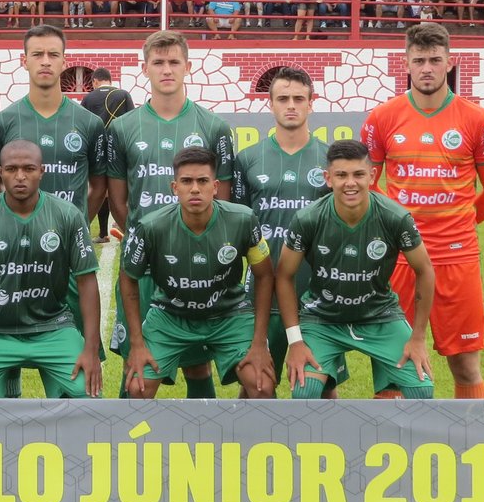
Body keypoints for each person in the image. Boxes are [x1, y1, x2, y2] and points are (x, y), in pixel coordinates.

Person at [362, 22, 484, 398]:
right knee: (395, 363)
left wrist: (462, 222)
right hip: (401, 259)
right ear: (406, 62)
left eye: (435, 60)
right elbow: (367, 187)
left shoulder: (478, 120)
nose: (427, 68)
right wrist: (395, 232)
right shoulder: (382, 118)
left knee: (466, 365)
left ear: (449, 62)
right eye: (419, 60)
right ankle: (394, 451)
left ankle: (472, 449)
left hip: (457, 257)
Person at [107, 30, 235, 398]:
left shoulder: (213, 127)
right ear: (144, 67)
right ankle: (123, 450)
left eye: (174, 62)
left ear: (188, 67)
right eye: (158, 62)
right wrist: (144, 239)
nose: (166, 70)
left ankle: (206, 444)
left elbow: (222, 200)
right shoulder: (122, 128)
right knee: (139, 359)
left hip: (198, 262)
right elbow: (119, 203)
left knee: (197, 359)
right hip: (145, 263)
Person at [0, 25, 107, 397]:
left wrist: (71, 226)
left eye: (53, 54)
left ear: (65, 62)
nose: (45, 61)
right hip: (10, 253)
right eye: (37, 54)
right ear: (23, 61)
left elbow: (100, 184)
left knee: (79, 371)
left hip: (67, 257)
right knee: (3, 347)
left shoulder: (88, 123)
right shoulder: (3, 122)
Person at [278, 140, 435, 400]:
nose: (350, 183)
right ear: (328, 178)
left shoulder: (395, 217)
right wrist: (295, 341)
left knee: (421, 391)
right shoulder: (308, 219)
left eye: (358, 174)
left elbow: (425, 270)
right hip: (322, 318)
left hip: (380, 316)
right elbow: (284, 276)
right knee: (305, 393)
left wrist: (418, 337)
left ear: (372, 176)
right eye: (341, 175)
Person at [118, 146, 276, 399]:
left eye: (202, 181)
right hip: (170, 315)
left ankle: (248, 437)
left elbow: (266, 275)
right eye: (187, 181)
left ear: (215, 187)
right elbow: (128, 279)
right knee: (137, 389)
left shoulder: (243, 220)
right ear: (174, 187)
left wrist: (258, 342)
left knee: (262, 386)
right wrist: (136, 343)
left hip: (229, 314)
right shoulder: (151, 227)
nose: (194, 189)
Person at [0, 140, 102, 399]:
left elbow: (87, 281)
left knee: (85, 393)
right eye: (11, 169)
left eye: (29, 168)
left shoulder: (68, 215)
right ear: (0, 173)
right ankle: (8, 387)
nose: (20, 176)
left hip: (53, 326)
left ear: (42, 171)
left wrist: (90, 350)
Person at [231, 67, 335, 390]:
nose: (291, 105)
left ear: (311, 103)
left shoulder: (330, 160)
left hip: (316, 293)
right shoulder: (247, 159)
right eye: (283, 98)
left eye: (298, 99)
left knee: (321, 388)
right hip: (261, 292)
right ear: (271, 105)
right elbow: (238, 229)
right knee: (258, 385)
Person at [81, 67, 135, 243]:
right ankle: (126, 227)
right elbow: (132, 121)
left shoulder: (89, 97)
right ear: (109, 80)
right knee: (120, 189)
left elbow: (83, 123)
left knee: (97, 189)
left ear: (95, 82)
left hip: (96, 150)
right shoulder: (124, 95)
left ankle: (102, 233)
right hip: (118, 149)